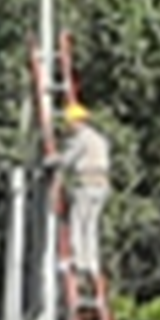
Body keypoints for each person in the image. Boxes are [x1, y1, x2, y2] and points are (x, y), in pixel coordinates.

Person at [58, 101, 110, 277]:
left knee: (78, 222)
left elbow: (66, 160)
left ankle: (79, 261)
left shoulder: (81, 139)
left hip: (86, 184)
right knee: (91, 225)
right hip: (102, 186)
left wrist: (52, 160)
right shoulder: (99, 138)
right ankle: (92, 262)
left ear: (75, 122)